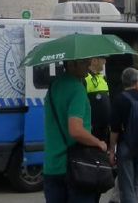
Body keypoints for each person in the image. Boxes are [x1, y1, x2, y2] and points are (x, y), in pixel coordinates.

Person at [43, 57, 107, 203]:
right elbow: (75, 130)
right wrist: (98, 143)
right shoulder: (77, 88)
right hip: (76, 167)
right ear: (71, 64)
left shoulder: (54, 86)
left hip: (52, 166)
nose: (89, 65)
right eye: (84, 62)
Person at [109, 68, 138, 203]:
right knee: (136, 184)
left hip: (125, 146)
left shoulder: (119, 99)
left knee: (126, 187)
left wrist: (112, 151)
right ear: (136, 81)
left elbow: (114, 129)